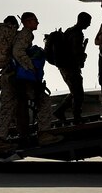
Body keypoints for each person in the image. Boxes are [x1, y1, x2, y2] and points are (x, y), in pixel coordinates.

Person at [12, 12, 61, 146]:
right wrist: (31, 66)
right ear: (27, 22)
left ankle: (24, 136)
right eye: (35, 20)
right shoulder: (26, 34)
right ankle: (44, 134)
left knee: (22, 107)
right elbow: (17, 52)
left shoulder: (24, 35)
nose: (37, 23)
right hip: (26, 79)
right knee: (45, 102)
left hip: (20, 79)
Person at [53, 12, 92, 125]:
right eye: (88, 22)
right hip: (70, 67)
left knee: (75, 91)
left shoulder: (69, 31)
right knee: (78, 93)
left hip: (64, 67)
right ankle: (76, 116)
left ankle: (61, 111)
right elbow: (76, 52)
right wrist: (82, 57)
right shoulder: (77, 34)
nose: (89, 25)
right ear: (82, 21)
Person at [0, 15, 21, 155]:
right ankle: (0, 140)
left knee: (9, 109)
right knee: (8, 109)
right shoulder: (14, 36)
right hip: (12, 77)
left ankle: (7, 137)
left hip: (4, 76)